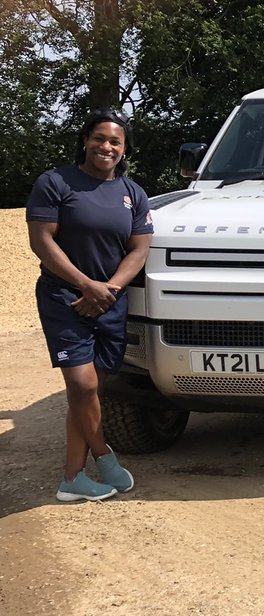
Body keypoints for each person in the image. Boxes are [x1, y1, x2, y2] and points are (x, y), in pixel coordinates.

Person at [26, 107, 154, 502]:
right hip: (66, 298)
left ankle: (72, 479)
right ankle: (104, 455)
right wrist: (86, 285)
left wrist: (109, 290)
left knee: (91, 391)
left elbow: (139, 249)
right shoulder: (55, 183)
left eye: (115, 141)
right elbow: (41, 241)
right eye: (99, 138)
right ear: (85, 140)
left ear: (124, 148)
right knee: (81, 384)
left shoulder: (133, 193)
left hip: (110, 302)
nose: (106, 146)